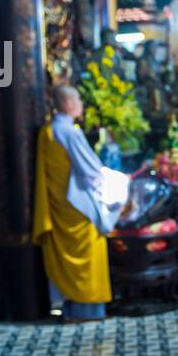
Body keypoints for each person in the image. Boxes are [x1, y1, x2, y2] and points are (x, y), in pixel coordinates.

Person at [32, 85, 129, 323]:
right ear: (67, 104)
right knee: (90, 252)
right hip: (78, 207)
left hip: (61, 205)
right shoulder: (69, 132)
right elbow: (90, 171)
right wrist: (118, 182)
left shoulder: (50, 130)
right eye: (78, 99)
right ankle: (86, 311)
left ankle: (68, 307)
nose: (81, 104)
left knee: (67, 256)